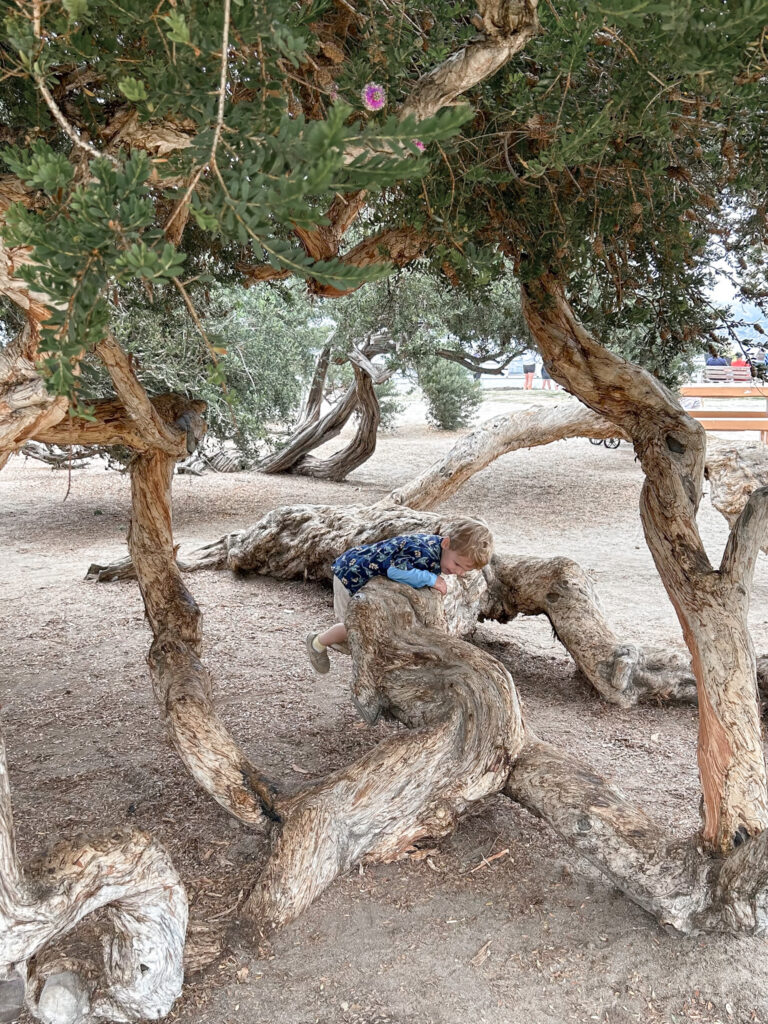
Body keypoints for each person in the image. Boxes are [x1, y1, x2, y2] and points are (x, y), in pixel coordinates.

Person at [306, 517, 494, 674]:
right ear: (446, 543)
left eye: (465, 570)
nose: (458, 572)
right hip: (351, 575)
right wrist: (429, 578)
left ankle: (342, 644)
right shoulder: (423, 552)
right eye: (457, 564)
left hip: (368, 580)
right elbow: (395, 571)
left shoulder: (438, 552)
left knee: (364, 631)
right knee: (355, 625)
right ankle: (317, 642)